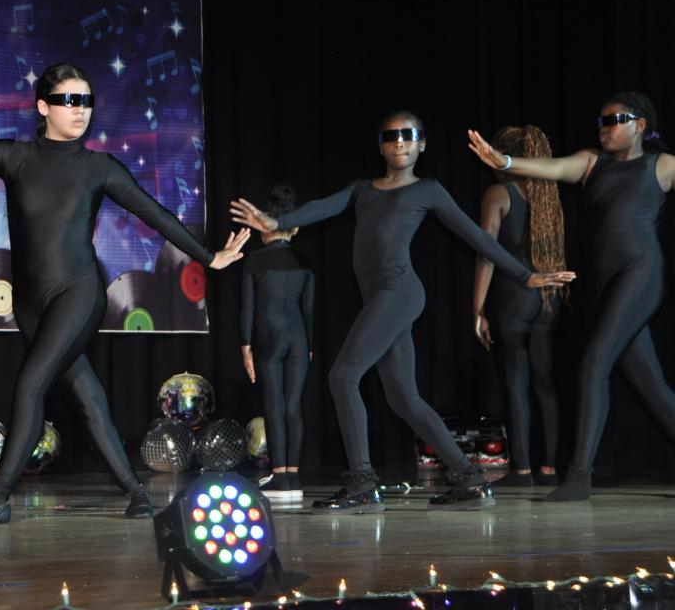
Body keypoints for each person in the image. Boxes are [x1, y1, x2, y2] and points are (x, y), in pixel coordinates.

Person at [0, 63, 249, 526]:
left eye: (86, 101)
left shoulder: (98, 168)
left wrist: (208, 257)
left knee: (30, 386)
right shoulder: (16, 157)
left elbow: (156, 214)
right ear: (43, 107)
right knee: (87, 397)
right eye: (69, 100)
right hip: (30, 305)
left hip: (78, 293)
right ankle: (137, 491)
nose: (80, 111)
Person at [231, 111, 575, 513]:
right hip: (383, 296)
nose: (399, 142)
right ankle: (469, 478)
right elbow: (323, 208)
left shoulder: (427, 190)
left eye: (408, 135)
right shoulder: (362, 190)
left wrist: (524, 275)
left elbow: (476, 236)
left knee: (343, 376)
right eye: (391, 136)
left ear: (422, 144)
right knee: (404, 398)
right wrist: (277, 220)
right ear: (381, 145)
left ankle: (361, 482)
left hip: (399, 291)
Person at [468, 91, 675, 501]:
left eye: (616, 120)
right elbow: (552, 167)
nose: (606, 128)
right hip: (603, 283)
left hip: (640, 274)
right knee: (652, 389)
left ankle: (579, 476)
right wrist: (505, 162)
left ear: (640, 126)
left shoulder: (662, 165)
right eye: (602, 121)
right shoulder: (590, 163)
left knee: (595, 362)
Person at [472, 125, 566, 487]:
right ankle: (551, 467)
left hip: (514, 299)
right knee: (546, 385)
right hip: (550, 300)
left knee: (516, 384)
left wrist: (476, 309)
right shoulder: (549, 197)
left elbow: (486, 253)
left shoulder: (499, 192)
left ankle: (523, 470)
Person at [240, 184, 314, 500]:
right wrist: (308, 345)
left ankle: (280, 476)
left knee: (274, 405)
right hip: (299, 336)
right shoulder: (305, 262)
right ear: (294, 228)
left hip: (268, 337)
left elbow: (248, 308)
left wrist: (245, 346)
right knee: (293, 406)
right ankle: (293, 477)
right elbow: (309, 310)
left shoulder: (254, 261)